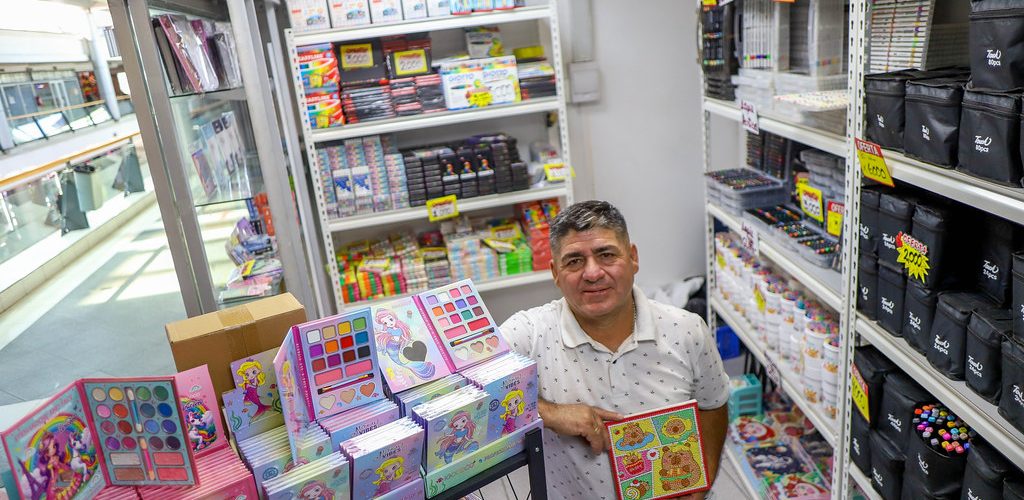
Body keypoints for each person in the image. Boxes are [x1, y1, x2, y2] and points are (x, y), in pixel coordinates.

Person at [500, 200, 730, 500]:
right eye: (574, 261)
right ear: (555, 272)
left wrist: (703, 483)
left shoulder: (687, 330)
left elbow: (714, 404)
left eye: (606, 255)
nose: (592, 273)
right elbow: (463, 388)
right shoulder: (529, 334)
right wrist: (551, 413)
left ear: (633, 258)